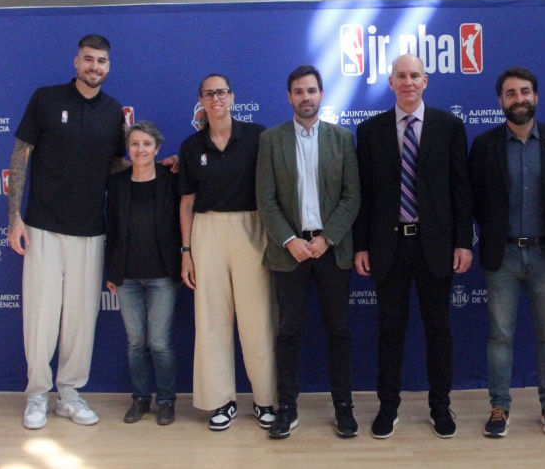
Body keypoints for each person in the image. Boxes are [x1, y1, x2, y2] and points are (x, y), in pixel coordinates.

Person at [9, 35, 133, 429]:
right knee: (41, 316)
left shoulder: (114, 112)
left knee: (81, 320)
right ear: (76, 62)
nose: (95, 66)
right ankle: (36, 395)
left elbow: (114, 166)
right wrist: (15, 217)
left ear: (108, 67)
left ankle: (69, 393)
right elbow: (20, 155)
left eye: (102, 61)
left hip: (90, 231)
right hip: (43, 227)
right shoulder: (45, 99)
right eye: (88, 59)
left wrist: (149, 167)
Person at [353, 53, 474, 439]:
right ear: (391, 83)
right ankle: (388, 407)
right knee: (390, 330)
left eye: (414, 76)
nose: (408, 82)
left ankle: (441, 406)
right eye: (401, 76)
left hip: (434, 245)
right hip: (388, 246)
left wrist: (463, 242)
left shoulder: (449, 126)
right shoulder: (370, 131)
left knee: (438, 329)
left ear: (426, 81)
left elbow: (461, 190)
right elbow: (364, 196)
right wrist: (361, 246)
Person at [469, 67, 545, 438]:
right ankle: (499, 407)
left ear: (536, 97)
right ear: (500, 101)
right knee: (500, 336)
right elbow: (478, 201)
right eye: (510, 93)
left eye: (525, 92)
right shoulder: (484, 146)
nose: (519, 99)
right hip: (504, 255)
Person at [256, 66, 361, 439]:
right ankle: (286, 408)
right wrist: (290, 240)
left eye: (312, 90)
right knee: (288, 332)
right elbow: (265, 200)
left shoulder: (342, 139)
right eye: (298, 91)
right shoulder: (271, 140)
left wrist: (327, 238)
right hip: (290, 252)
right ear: (289, 97)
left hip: (331, 250)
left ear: (322, 95)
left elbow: (352, 196)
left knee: (339, 331)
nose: (306, 97)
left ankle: (344, 408)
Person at [179, 74, 277, 432]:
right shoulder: (192, 146)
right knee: (211, 321)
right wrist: (186, 251)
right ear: (201, 101)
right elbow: (186, 203)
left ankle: (266, 400)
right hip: (206, 230)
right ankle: (221, 401)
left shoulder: (257, 136)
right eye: (209, 94)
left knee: (258, 319)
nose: (216, 98)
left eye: (221, 92)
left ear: (232, 97)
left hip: (252, 228)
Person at [105, 121, 181, 426]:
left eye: (147, 144)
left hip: (163, 275)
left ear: (157, 148)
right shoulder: (118, 182)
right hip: (127, 276)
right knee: (135, 341)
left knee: (160, 342)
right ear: (128, 148)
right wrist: (112, 271)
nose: (140, 150)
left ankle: (166, 401)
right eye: (134, 144)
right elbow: (110, 229)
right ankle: (140, 399)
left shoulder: (171, 179)